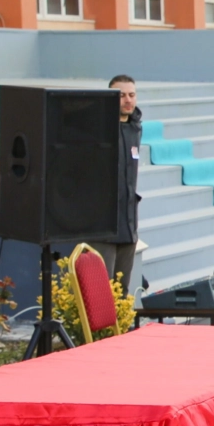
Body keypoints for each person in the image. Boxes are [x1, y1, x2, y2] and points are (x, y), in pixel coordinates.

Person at [91, 75, 142, 294]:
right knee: (101, 293)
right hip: (103, 227)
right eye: (121, 95)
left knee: (121, 293)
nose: (127, 100)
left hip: (128, 227)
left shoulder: (135, 129)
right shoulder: (98, 130)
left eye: (131, 95)